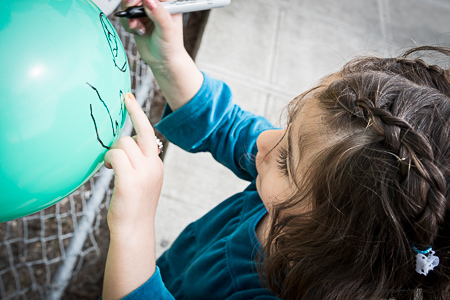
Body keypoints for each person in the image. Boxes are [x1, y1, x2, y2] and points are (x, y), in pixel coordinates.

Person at [101, 0, 450, 299]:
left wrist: (134, 226)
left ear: (336, 236)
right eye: (289, 126)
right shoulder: (304, 185)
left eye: (286, 160)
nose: (266, 141)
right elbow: (225, 125)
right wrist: (169, 59)